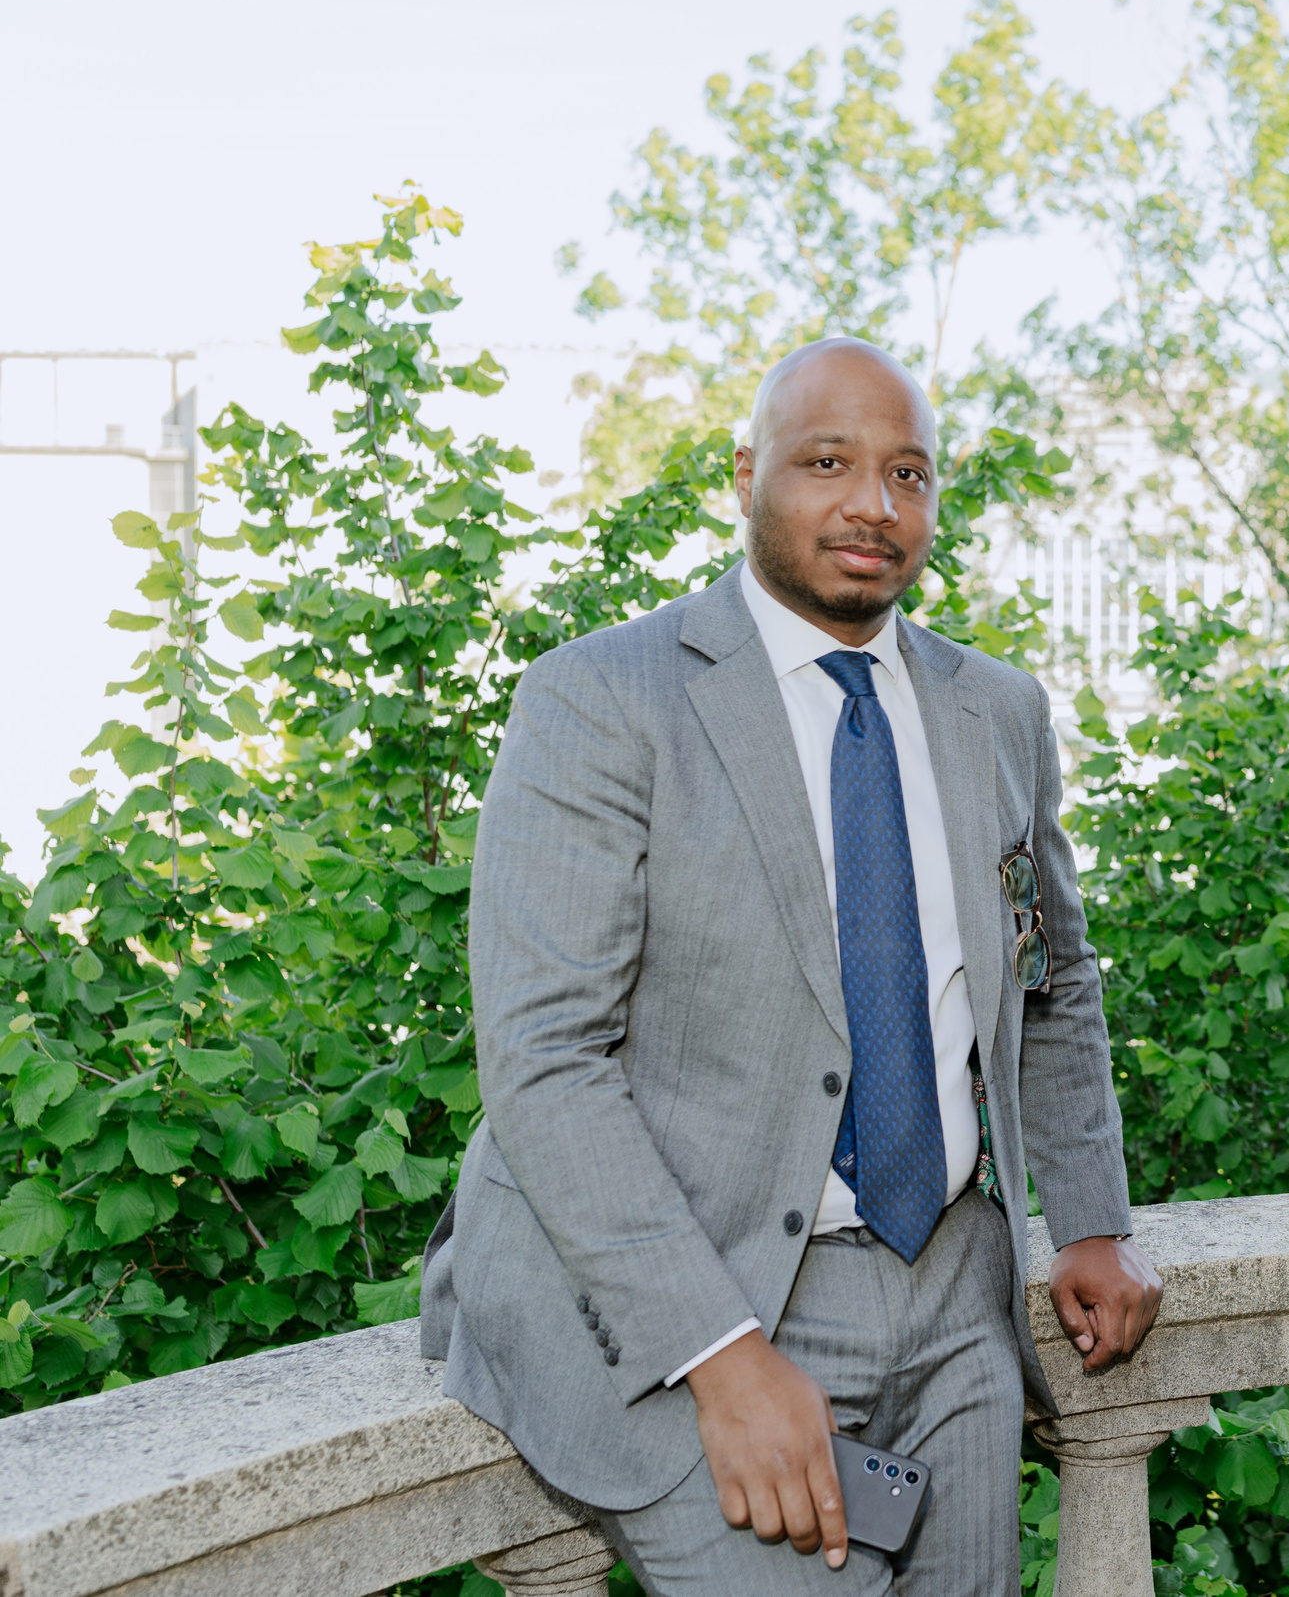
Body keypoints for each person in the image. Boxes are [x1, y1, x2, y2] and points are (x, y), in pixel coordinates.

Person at [420, 337, 1162, 1594]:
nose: (875, 506)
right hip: (705, 1296)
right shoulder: (602, 700)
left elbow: (1055, 983)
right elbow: (544, 1061)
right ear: (744, 473)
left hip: (955, 1296)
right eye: (829, 463)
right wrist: (719, 1352)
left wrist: (1089, 1219)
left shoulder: (1000, 713)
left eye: (909, 474)